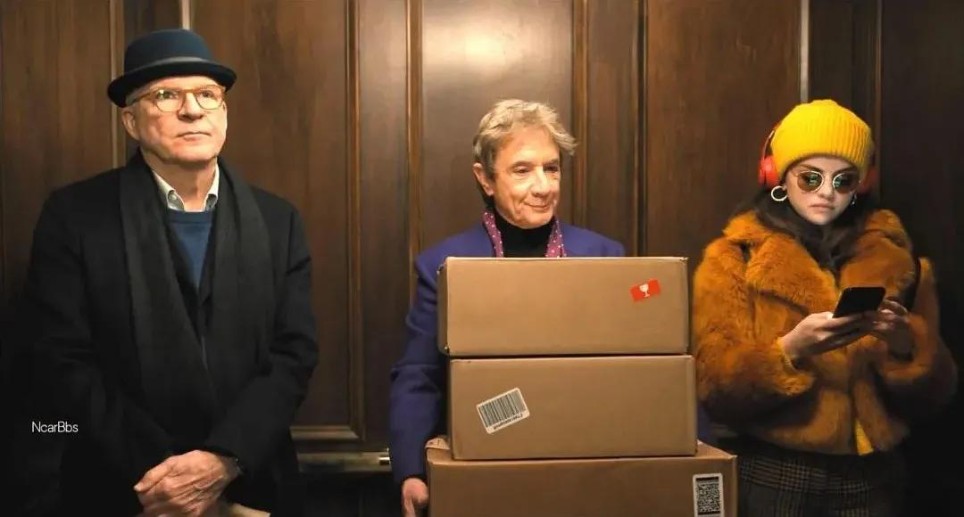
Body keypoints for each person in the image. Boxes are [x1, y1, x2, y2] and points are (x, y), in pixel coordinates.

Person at [21, 29, 318, 516]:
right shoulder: (74, 218)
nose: (192, 110)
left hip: (252, 483)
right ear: (131, 121)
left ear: (224, 113)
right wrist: (169, 477)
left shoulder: (278, 221)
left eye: (208, 94)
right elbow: (62, 361)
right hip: (127, 488)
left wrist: (222, 462)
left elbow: (294, 354)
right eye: (166, 95)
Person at [692, 99, 957, 516]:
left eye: (844, 180)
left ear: (861, 185)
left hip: (874, 476)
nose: (827, 192)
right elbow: (713, 389)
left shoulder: (897, 258)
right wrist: (789, 350)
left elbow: (937, 396)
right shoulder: (735, 258)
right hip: (777, 471)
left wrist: (907, 347)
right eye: (811, 177)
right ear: (777, 175)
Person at [388, 99, 625, 516]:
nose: (544, 186)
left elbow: (648, 365)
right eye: (522, 170)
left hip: (586, 468)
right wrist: (411, 470)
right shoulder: (443, 265)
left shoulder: (605, 257)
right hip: (486, 468)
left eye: (552, 168)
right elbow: (419, 374)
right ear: (485, 179)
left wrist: (696, 452)